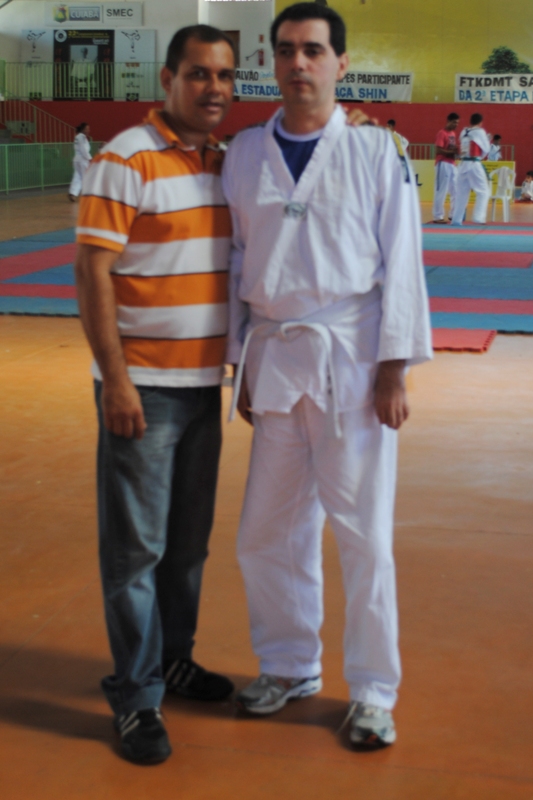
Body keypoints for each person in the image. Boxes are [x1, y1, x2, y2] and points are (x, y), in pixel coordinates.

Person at [223, 2, 432, 750]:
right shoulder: (245, 151)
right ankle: (288, 665)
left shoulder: (377, 149)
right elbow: (237, 261)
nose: (298, 64)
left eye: (313, 50)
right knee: (265, 533)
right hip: (275, 358)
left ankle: (373, 692)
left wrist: (393, 368)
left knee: (363, 537)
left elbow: (402, 261)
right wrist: (240, 362)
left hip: (352, 360)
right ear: (272, 62)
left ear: (341, 63)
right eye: (285, 50)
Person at [74, 25, 238, 766]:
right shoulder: (125, 158)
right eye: (198, 74)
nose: (214, 88)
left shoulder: (224, 161)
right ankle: (137, 695)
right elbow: (92, 272)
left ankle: (173, 660)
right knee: (136, 550)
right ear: (168, 79)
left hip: (203, 387)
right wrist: (115, 379)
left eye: (225, 75)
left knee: (187, 547)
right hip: (142, 388)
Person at [451, 113, 491, 226]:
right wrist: (481, 155)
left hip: (462, 164)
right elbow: (486, 149)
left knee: (461, 194)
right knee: (483, 191)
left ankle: (456, 219)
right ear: (480, 122)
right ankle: (478, 217)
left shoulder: (463, 131)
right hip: (474, 163)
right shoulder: (480, 131)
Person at [432, 112, 459, 224]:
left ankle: (454, 214)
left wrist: (456, 152)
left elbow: (452, 149)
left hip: (452, 164)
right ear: (448, 121)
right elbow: (438, 150)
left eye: (457, 123)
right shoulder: (441, 133)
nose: (456, 125)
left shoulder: (453, 134)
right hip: (442, 163)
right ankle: (438, 216)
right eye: (454, 122)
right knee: (441, 190)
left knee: (456, 190)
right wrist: (451, 152)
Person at [68, 122, 92, 202]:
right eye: (87, 129)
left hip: (77, 159)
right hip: (83, 160)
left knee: (77, 176)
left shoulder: (77, 137)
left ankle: (73, 193)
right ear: (83, 129)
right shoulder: (82, 137)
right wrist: (89, 158)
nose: (88, 130)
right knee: (86, 177)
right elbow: (84, 149)